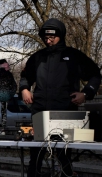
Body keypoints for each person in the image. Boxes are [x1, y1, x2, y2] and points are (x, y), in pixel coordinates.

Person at [20, 18, 101, 177]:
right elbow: (25, 77)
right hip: (40, 112)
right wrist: (24, 89)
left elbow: (95, 75)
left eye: (52, 37)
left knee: (64, 156)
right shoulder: (37, 57)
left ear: (61, 36)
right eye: (45, 38)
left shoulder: (74, 55)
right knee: (36, 156)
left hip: (66, 112)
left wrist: (85, 93)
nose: (48, 41)